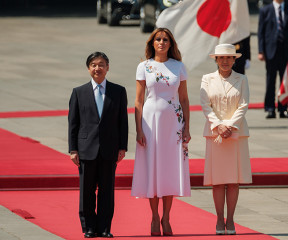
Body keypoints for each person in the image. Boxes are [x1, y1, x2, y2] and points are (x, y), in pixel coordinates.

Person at [131, 28, 191, 236]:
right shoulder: (144, 66)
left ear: (171, 44)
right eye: (158, 39)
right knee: (152, 169)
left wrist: (187, 128)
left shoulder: (179, 66)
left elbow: (183, 99)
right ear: (152, 42)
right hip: (150, 122)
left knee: (169, 170)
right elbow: (138, 100)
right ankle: (154, 217)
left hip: (173, 124)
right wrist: (138, 129)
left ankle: (166, 217)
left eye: (166, 40)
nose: (162, 42)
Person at [68, 52, 128, 238]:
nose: (97, 68)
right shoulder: (79, 92)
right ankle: (89, 228)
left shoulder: (118, 91)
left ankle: (104, 228)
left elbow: (122, 122)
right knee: (86, 192)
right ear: (88, 68)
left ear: (107, 67)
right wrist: (73, 149)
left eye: (101, 64)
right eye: (93, 65)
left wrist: (122, 147)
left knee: (106, 192)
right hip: (86, 149)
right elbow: (73, 123)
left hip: (109, 149)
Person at [200, 44, 252, 235]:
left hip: (236, 133)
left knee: (233, 180)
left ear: (234, 60)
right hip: (215, 134)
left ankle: (230, 219)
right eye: (221, 57)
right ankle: (219, 218)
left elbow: (244, 104)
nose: (225, 61)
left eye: (229, 58)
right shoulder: (207, 79)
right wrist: (219, 125)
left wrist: (230, 125)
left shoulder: (242, 79)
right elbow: (205, 105)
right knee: (218, 181)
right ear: (216, 59)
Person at [258, 0, 288, 119]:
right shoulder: (265, 10)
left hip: (286, 51)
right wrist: (261, 51)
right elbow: (261, 32)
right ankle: (270, 108)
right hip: (271, 51)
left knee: (285, 81)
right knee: (270, 81)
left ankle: (283, 108)